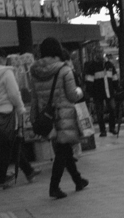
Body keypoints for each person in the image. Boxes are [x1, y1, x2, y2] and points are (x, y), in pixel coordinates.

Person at [28, 38, 89, 198]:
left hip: (47, 116)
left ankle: (78, 180)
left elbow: (34, 97)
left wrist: (33, 116)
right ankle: (54, 187)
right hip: (64, 115)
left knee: (64, 148)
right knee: (62, 151)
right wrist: (80, 91)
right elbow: (72, 95)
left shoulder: (34, 71)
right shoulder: (64, 70)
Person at [0, 48, 33, 189]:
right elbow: (14, 94)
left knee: (11, 144)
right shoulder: (6, 72)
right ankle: (0, 180)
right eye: (3, 57)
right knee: (7, 148)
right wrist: (21, 108)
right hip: (7, 114)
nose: (5, 60)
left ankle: (28, 170)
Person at [83, 46, 120, 136]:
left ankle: (112, 128)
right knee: (100, 112)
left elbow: (114, 78)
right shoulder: (92, 66)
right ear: (95, 54)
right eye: (97, 52)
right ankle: (103, 130)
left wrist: (117, 88)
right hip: (97, 93)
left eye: (100, 52)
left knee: (112, 109)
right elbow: (89, 81)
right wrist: (90, 93)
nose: (99, 54)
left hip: (109, 92)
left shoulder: (109, 65)